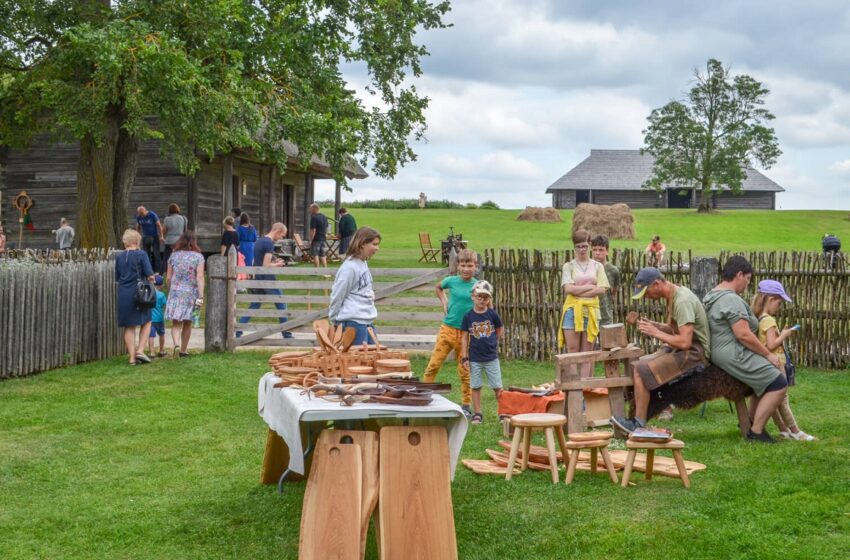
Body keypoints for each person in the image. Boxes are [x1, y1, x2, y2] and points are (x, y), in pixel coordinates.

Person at [610, 268, 711, 434]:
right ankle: (637, 417)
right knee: (638, 364)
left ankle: (638, 424)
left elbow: (685, 341)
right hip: (683, 347)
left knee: (642, 371)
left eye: (646, 292)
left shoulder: (682, 301)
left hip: (695, 354)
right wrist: (655, 325)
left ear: (656, 283)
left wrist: (655, 333)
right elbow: (675, 330)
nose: (646, 297)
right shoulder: (673, 295)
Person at [703, 256, 787, 443]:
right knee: (779, 383)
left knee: (766, 380)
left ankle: (749, 423)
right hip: (733, 354)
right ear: (739, 274)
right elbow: (743, 334)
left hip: (721, 353)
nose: (748, 284)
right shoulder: (731, 299)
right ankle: (756, 432)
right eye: (748, 279)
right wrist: (768, 355)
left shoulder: (712, 294)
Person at [752, 279, 816, 441]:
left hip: (765, 364)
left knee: (772, 400)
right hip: (776, 363)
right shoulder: (769, 320)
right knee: (782, 400)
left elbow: (763, 344)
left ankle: (783, 429)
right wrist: (784, 335)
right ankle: (796, 431)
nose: (779, 308)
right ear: (771, 299)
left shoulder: (759, 318)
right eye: (779, 303)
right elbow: (772, 345)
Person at [422, 248, 478, 416]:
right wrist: (444, 302)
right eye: (463, 265)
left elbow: (487, 305)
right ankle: (423, 396)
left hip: (466, 335)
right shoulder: (451, 281)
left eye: (470, 265)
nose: (466, 269)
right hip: (447, 330)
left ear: (476, 267)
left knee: (465, 370)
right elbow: (438, 288)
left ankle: (466, 405)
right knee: (433, 364)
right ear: (457, 266)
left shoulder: (477, 285)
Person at [559, 229, 609, 377]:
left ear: (589, 245)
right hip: (572, 310)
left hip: (591, 311)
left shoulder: (597, 266)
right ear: (574, 247)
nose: (581, 249)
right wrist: (589, 287)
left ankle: (585, 389)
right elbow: (568, 289)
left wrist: (577, 290)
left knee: (587, 353)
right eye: (578, 246)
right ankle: (574, 387)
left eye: (584, 246)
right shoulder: (569, 266)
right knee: (572, 351)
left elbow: (602, 289)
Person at [237, 223, 292, 338]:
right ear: (277, 231)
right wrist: (277, 264)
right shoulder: (269, 244)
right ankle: (286, 333)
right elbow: (265, 265)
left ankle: (238, 330)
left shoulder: (259, 241)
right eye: (282, 235)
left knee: (254, 305)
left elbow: (254, 261)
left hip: (258, 278)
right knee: (281, 304)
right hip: (267, 279)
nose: (281, 238)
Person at [460, 280, 504, 425]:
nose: (482, 300)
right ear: (473, 296)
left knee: (497, 386)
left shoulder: (492, 314)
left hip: (491, 357)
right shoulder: (468, 316)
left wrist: (494, 341)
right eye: (479, 296)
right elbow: (465, 337)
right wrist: (464, 357)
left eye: (485, 297)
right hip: (475, 358)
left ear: (489, 299)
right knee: (476, 385)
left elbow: (499, 329)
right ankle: (478, 413)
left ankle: (503, 412)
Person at [329, 227, 381, 345]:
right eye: (374, 244)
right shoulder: (349, 267)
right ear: (362, 244)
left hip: (366, 321)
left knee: (372, 359)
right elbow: (338, 294)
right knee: (358, 361)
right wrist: (334, 319)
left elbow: (366, 289)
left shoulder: (363, 263)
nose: (377, 248)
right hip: (353, 323)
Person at [115, 229, 154, 365]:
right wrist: (153, 279)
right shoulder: (141, 254)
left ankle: (132, 358)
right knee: (147, 321)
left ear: (125, 242)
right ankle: (140, 351)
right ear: (137, 242)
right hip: (139, 293)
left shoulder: (119, 257)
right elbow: (149, 274)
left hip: (123, 293)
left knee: (129, 326)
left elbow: (118, 277)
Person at [164, 231, 205, 357]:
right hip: (190, 293)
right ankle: (183, 350)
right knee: (188, 322)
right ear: (194, 241)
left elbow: (168, 277)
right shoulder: (198, 257)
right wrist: (201, 295)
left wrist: (170, 289)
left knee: (176, 323)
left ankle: (176, 344)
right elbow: (200, 277)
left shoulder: (173, 256)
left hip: (176, 292)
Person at [591, 234, 621, 327]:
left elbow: (614, 291)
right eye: (595, 249)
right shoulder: (588, 268)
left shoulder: (613, 270)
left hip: (606, 315)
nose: (597, 253)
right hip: (590, 313)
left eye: (601, 250)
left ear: (607, 251)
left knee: (606, 340)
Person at [135, 206, 164, 273]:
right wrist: (137, 236)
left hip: (154, 236)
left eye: (142, 214)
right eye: (140, 214)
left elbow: (159, 225)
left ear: (145, 210)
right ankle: (149, 271)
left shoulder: (152, 215)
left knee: (156, 254)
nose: (141, 215)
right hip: (145, 237)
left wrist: (161, 236)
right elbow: (138, 227)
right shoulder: (139, 217)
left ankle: (158, 271)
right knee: (146, 255)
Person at [161, 203, 188, 274]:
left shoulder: (167, 219)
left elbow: (164, 231)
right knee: (180, 258)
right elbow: (185, 231)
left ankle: (162, 273)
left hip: (169, 240)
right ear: (177, 209)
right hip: (180, 241)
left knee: (166, 258)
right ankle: (180, 272)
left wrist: (163, 237)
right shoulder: (183, 218)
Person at [147, 275, 168, 358]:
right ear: (161, 285)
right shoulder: (161, 295)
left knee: (151, 335)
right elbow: (164, 305)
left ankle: (152, 352)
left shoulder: (149, 293)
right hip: (160, 319)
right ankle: (161, 350)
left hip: (151, 319)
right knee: (161, 334)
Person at [309, 203, 329, 268]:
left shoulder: (314, 217)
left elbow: (313, 230)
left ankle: (316, 271)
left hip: (316, 239)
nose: (310, 210)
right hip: (323, 238)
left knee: (316, 255)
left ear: (314, 209)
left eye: (311, 209)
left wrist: (311, 240)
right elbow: (326, 228)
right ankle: (325, 270)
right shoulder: (324, 217)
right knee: (323, 255)